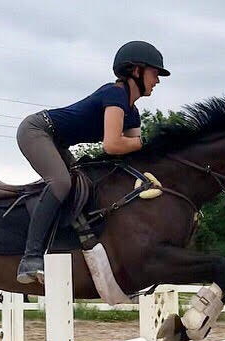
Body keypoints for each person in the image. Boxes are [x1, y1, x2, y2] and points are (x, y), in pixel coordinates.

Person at [15, 40, 170, 284]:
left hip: (58, 142)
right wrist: (142, 142)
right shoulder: (115, 94)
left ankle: (61, 244)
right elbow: (113, 145)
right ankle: (31, 258)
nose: (158, 80)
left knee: (83, 184)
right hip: (37, 130)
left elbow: (130, 155)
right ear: (136, 71)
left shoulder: (133, 112)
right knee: (61, 183)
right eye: (155, 73)